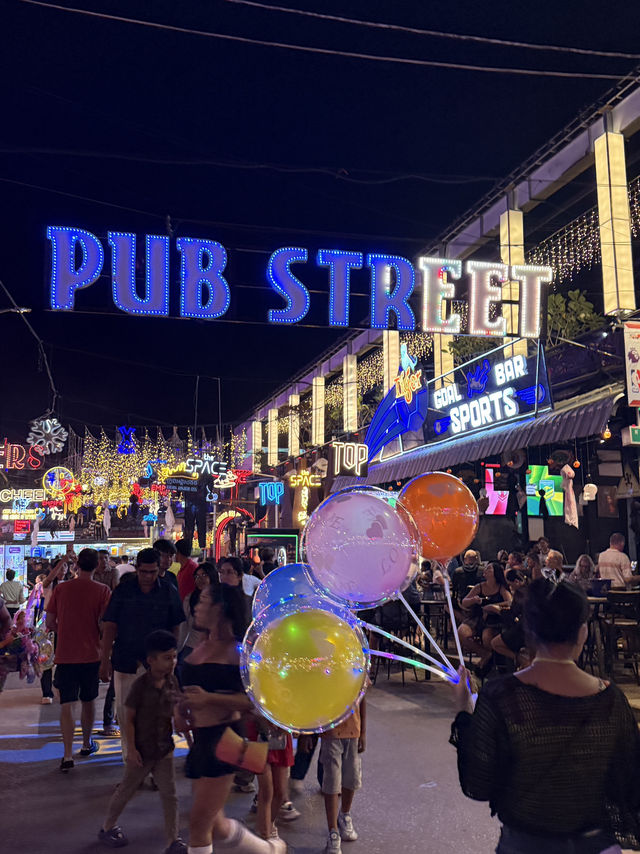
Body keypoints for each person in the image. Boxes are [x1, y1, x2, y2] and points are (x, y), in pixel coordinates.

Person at [451, 577, 640, 854]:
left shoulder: (501, 695)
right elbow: (630, 787)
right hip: (595, 845)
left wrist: (464, 710)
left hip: (524, 844)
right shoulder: (611, 701)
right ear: (583, 632)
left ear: (529, 630)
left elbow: (478, 784)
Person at [179, 582, 285, 853]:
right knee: (216, 824)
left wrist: (208, 699)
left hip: (227, 737)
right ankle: (269, 850)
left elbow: (257, 702)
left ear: (221, 608)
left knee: (199, 824)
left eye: (203, 600)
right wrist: (179, 708)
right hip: (201, 739)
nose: (197, 607)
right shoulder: (198, 645)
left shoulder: (240, 652)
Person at [99, 630, 186, 854]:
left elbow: (176, 711)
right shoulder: (140, 686)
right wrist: (131, 750)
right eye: (167, 658)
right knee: (127, 789)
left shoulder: (172, 681)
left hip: (164, 749)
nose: (172, 662)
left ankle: (172, 840)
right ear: (151, 660)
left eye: (174, 657)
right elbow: (127, 718)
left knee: (170, 795)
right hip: (142, 751)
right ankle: (107, 827)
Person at [100, 548, 185, 762]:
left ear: (159, 570)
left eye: (152, 572)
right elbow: (110, 625)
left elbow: (177, 626)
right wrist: (104, 660)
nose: (148, 577)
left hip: (156, 666)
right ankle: (131, 765)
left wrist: (171, 658)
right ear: (137, 569)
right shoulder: (123, 590)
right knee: (125, 714)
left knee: (156, 716)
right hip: (126, 661)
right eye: (144, 572)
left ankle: (154, 767)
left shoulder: (168, 591)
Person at [46, 548, 111, 771]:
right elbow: (105, 625)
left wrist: (64, 631)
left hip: (65, 654)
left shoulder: (62, 589)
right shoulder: (103, 591)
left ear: (76, 565)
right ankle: (85, 744)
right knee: (89, 701)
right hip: (91, 655)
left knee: (66, 704)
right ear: (96, 566)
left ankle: (66, 755)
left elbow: (50, 622)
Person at [317, 692, 367, 854]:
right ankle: (333, 831)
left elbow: (362, 698)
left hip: (353, 732)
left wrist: (363, 732)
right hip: (330, 732)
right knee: (332, 781)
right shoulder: (326, 668)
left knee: (351, 778)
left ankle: (345, 814)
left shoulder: (357, 668)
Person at [458, 561, 512, 679]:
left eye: (489, 569)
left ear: (495, 573)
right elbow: (464, 602)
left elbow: (510, 601)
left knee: (487, 637)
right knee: (462, 632)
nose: (485, 571)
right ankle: (485, 655)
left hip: (493, 620)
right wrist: (474, 600)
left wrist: (494, 606)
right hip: (476, 617)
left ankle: (489, 666)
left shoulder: (501, 588)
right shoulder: (480, 587)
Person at [179, 563, 219, 666]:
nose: (200, 579)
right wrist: (178, 648)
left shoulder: (223, 597)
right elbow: (184, 625)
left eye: (204, 575)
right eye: (197, 576)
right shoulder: (190, 598)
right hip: (193, 646)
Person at [491, 569, 528, 665]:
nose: (510, 587)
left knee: (495, 643)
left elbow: (512, 614)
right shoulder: (531, 589)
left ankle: (520, 660)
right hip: (534, 628)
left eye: (510, 585)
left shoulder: (520, 593)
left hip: (524, 630)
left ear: (516, 582)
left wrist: (496, 609)